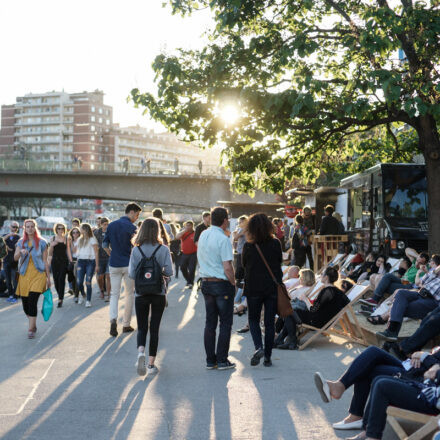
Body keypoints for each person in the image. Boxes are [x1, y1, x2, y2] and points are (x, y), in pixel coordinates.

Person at [313, 345, 440, 432]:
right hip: (414, 367)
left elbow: (436, 367)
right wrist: (421, 354)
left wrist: (431, 362)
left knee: (368, 368)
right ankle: (341, 389)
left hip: (421, 380)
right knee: (372, 352)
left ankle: (354, 413)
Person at [129, 218, 173, 376]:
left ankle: (141, 352)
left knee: (142, 327)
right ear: (158, 230)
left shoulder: (136, 250)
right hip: (158, 292)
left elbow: (131, 273)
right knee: (154, 328)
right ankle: (151, 364)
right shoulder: (163, 249)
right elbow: (169, 272)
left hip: (141, 292)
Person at [197, 206, 236, 370]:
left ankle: (210, 360)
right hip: (221, 283)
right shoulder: (223, 239)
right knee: (225, 323)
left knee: (210, 323)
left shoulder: (203, 234)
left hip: (206, 282)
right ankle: (222, 360)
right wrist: (233, 282)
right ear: (225, 220)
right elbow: (227, 266)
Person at [242, 213, 282, 367]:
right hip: (271, 287)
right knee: (269, 322)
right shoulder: (276, 243)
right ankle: (268, 357)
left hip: (253, 287)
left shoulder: (248, 246)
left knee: (253, 319)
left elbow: (244, 266)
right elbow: (278, 263)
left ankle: (258, 347)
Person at [376, 255, 440, 342]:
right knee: (400, 293)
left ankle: (391, 332)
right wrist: (431, 271)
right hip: (420, 293)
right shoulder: (435, 271)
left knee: (400, 307)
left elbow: (418, 283)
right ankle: (391, 333)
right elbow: (423, 281)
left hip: (433, 301)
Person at [103, 202, 142, 337]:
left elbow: (104, 244)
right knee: (129, 294)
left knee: (114, 294)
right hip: (128, 264)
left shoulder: (111, 225)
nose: (136, 218)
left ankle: (113, 319)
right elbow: (136, 247)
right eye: (137, 215)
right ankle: (126, 324)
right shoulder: (132, 227)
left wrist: (111, 253)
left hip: (114, 263)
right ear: (131, 212)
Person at [14, 219, 50, 339]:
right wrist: (20, 253)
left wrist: (48, 278)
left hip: (38, 274)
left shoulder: (42, 243)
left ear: (35, 228)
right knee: (25, 305)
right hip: (24, 276)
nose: (30, 228)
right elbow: (15, 258)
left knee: (32, 301)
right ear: (24, 228)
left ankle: (30, 329)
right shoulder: (20, 242)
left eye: (32, 226)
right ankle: (33, 323)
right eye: (27, 227)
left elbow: (45, 261)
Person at [362, 249, 430, 305]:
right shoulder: (414, 262)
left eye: (420, 263)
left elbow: (416, 283)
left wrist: (422, 267)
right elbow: (407, 250)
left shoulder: (424, 269)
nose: (417, 264)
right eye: (417, 261)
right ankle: (377, 301)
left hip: (408, 284)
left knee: (386, 276)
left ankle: (375, 299)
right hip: (402, 281)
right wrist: (418, 256)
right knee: (373, 276)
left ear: (425, 264)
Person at [275, 268, 316, 349]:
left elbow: (308, 304)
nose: (299, 278)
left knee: (288, 312)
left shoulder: (311, 289)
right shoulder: (299, 287)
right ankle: (288, 340)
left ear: (305, 278)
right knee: (288, 313)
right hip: (295, 311)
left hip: (304, 313)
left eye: (300, 277)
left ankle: (284, 339)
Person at [76, 223, 99, 308]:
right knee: (79, 282)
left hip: (90, 262)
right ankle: (83, 294)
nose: (80, 230)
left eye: (81, 228)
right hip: (81, 262)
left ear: (85, 229)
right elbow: (78, 251)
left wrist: (97, 265)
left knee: (88, 282)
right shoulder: (80, 239)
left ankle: (88, 300)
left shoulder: (92, 239)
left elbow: (96, 252)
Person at [47, 223, 69, 308]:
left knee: (61, 279)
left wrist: (71, 261)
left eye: (62, 228)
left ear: (64, 229)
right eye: (59, 228)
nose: (60, 230)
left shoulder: (66, 239)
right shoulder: (52, 238)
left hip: (63, 261)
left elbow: (68, 251)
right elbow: (50, 253)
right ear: (56, 229)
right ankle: (60, 294)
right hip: (55, 262)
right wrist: (51, 246)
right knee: (56, 280)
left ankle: (60, 299)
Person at [176, 221, 198, 288]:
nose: (188, 226)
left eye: (190, 225)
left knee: (191, 269)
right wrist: (184, 231)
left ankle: (190, 283)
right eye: (187, 225)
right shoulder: (183, 233)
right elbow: (177, 237)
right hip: (184, 254)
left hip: (193, 254)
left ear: (192, 226)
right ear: (184, 226)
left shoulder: (195, 233)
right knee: (182, 267)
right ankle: (188, 280)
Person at [2, 221, 20, 303]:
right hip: (6, 261)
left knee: (15, 280)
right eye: (13, 227)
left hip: (15, 262)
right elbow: (1, 240)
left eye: (16, 227)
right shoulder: (5, 236)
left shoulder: (19, 237)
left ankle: (15, 296)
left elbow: (18, 247)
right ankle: (10, 295)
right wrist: (9, 235)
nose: (15, 229)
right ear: (10, 227)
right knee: (8, 280)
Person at [94, 217, 111, 301]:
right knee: (100, 276)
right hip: (99, 257)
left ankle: (108, 294)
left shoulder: (110, 232)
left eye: (108, 224)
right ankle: (101, 290)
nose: (106, 226)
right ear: (101, 225)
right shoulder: (96, 232)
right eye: (105, 224)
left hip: (109, 257)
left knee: (108, 276)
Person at [232, 215, 247, 281]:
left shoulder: (245, 229)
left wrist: (235, 234)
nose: (239, 224)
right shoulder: (239, 229)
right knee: (238, 270)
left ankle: (240, 286)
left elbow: (235, 237)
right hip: (239, 251)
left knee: (240, 271)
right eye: (239, 222)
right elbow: (235, 238)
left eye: (241, 222)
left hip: (244, 252)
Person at [67, 227, 80, 299]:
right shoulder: (70, 241)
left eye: (77, 232)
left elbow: (74, 250)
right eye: (73, 232)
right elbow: (69, 251)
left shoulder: (80, 240)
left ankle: (76, 294)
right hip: (72, 260)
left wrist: (71, 242)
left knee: (77, 278)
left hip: (79, 260)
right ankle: (75, 291)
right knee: (72, 278)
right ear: (71, 233)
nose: (75, 234)